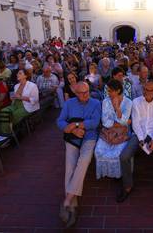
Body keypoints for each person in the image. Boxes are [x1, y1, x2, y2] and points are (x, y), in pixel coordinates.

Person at [117, 81, 153, 206]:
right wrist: (141, 140)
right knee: (124, 156)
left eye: (149, 90)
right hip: (139, 135)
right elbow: (136, 123)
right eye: (144, 89)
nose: (145, 92)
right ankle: (127, 186)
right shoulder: (136, 102)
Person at [57, 82, 101, 228]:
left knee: (84, 161)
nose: (85, 95)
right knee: (69, 165)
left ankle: (67, 200)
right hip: (73, 138)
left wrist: (76, 125)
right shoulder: (69, 103)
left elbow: (95, 123)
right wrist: (72, 130)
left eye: (87, 92)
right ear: (75, 93)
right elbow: (60, 121)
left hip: (89, 137)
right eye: (81, 93)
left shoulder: (95, 103)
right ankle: (73, 207)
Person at [95, 79, 132, 179]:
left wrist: (117, 108)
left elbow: (124, 121)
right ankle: (106, 173)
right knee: (99, 151)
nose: (108, 92)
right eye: (108, 90)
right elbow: (105, 122)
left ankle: (117, 175)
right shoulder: (106, 101)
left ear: (118, 90)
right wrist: (119, 123)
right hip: (107, 132)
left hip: (122, 134)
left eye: (110, 90)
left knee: (117, 153)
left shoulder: (128, 102)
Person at [0, 69, 40, 133]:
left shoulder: (32, 85)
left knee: (13, 115)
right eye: (17, 73)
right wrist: (13, 98)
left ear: (25, 76)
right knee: (3, 111)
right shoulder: (16, 86)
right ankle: (6, 133)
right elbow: (16, 97)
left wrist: (21, 97)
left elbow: (35, 99)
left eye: (20, 73)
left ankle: (9, 132)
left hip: (28, 105)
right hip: (15, 104)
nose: (17, 74)